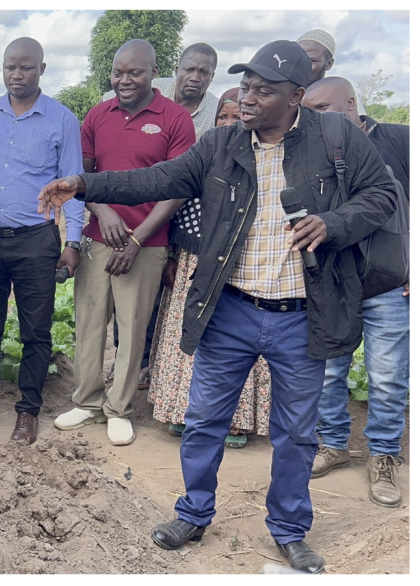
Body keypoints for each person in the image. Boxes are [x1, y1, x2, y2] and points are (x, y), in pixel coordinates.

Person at [38, 40, 398, 573]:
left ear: (296, 96)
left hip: (302, 315)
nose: (248, 98)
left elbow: (382, 195)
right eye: (245, 87)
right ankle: (193, 512)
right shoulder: (221, 143)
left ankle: (289, 529)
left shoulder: (337, 138)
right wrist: (84, 184)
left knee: (297, 433)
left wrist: (334, 223)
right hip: (229, 310)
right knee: (204, 420)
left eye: (263, 90)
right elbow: (158, 178)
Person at [54, 40, 195, 447]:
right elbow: (82, 175)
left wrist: (138, 237)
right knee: (89, 323)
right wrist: (104, 212)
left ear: (154, 71)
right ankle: (87, 401)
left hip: (146, 245)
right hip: (99, 239)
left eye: (134, 72)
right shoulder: (98, 115)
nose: (125, 79)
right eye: (118, 72)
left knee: (132, 329)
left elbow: (179, 186)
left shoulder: (175, 118)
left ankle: (119, 408)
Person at [0, 37, 84, 444]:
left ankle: (28, 410)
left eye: (26, 67)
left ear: (42, 70)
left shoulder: (62, 120)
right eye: (10, 66)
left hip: (35, 241)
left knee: (36, 330)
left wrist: (74, 243)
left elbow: (73, 187)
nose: (17, 74)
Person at [147, 86, 273, 449]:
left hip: (243, 265)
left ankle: (233, 420)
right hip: (194, 260)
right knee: (188, 335)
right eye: (223, 115)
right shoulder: (206, 155)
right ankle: (182, 413)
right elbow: (178, 206)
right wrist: (172, 255)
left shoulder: (265, 161)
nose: (229, 122)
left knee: (236, 341)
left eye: (237, 116)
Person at [304, 76, 409, 508]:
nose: (312, 118)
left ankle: (383, 455)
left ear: (351, 104)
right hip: (335, 280)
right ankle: (333, 444)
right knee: (329, 371)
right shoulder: (312, 149)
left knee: (387, 376)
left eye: (322, 109)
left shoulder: (399, 140)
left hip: (388, 281)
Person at [102, 43, 220, 387]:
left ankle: (152, 364)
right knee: (127, 298)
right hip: (138, 217)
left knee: (161, 297)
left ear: (212, 76)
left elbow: (187, 181)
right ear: (174, 69)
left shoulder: (214, 113)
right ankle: (129, 361)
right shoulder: (150, 95)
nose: (194, 77)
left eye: (204, 72)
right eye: (189, 69)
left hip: (184, 219)